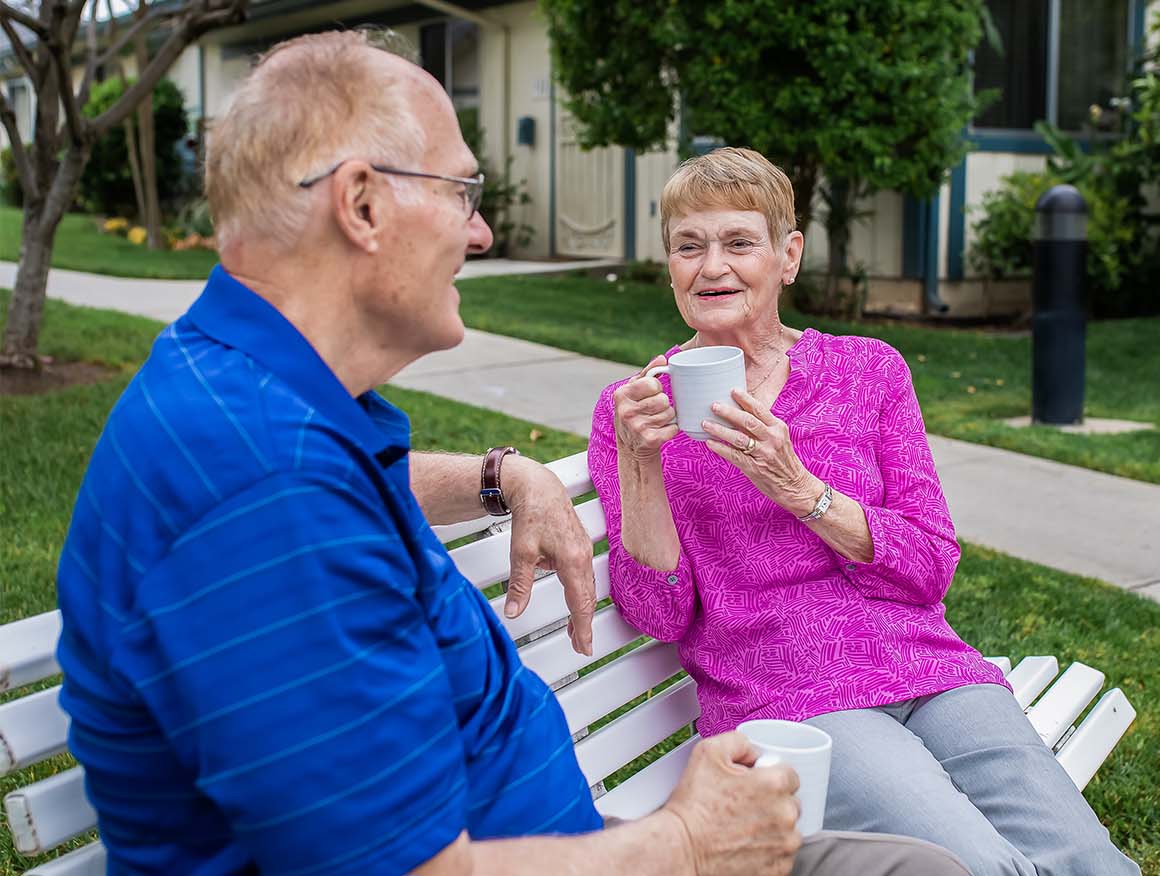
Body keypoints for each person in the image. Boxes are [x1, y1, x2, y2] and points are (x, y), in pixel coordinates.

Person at [53, 32, 970, 876]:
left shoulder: (259, 392)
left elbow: (339, 485)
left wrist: (502, 476)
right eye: (462, 193)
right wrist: (688, 840)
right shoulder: (258, 493)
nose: (482, 232)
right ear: (363, 203)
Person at [588, 147, 1141, 876]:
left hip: (933, 671)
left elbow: (931, 566)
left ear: (788, 257)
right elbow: (661, 615)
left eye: (738, 243)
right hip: (790, 696)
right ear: (670, 267)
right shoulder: (633, 413)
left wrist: (800, 488)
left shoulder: (867, 370)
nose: (711, 266)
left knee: (1090, 862)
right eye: (689, 246)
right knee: (982, 868)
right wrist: (641, 459)